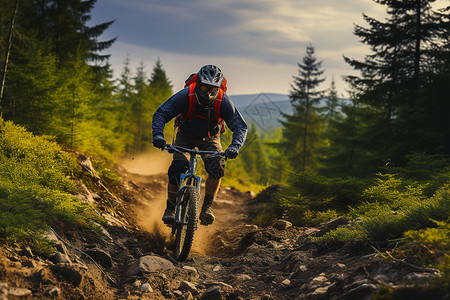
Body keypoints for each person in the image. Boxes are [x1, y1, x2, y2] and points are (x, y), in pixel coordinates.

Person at [152, 65, 248, 226]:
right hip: (185, 135)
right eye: (205, 87)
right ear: (197, 85)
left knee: (217, 168)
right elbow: (161, 113)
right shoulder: (186, 95)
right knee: (178, 167)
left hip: (210, 138)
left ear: (218, 88)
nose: (208, 92)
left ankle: (207, 208)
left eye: (213, 88)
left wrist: (234, 146)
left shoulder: (223, 101)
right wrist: (158, 135)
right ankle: (170, 208)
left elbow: (240, 126)